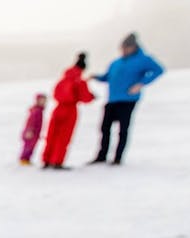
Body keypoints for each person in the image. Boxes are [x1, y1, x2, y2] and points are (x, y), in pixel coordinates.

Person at [90, 32, 166, 166]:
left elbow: (159, 70)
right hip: (113, 99)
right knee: (104, 127)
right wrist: (96, 77)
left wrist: (141, 83)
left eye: (126, 48)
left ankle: (117, 158)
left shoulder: (143, 59)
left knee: (122, 129)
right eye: (122, 48)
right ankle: (101, 156)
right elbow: (108, 77)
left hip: (128, 99)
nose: (123, 51)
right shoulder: (116, 62)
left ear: (133, 47)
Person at [42, 52, 96, 170]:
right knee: (63, 137)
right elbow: (85, 97)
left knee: (51, 135)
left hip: (57, 109)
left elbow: (55, 94)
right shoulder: (79, 81)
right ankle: (57, 161)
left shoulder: (62, 80)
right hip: (70, 110)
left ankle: (46, 160)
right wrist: (92, 96)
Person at [20, 93, 48, 166]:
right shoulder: (36, 111)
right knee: (28, 146)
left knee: (32, 146)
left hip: (35, 133)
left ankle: (27, 159)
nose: (44, 102)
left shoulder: (40, 110)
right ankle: (24, 159)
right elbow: (31, 121)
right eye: (42, 100)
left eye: (45, 101)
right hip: (30, 132)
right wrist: (29, 130)